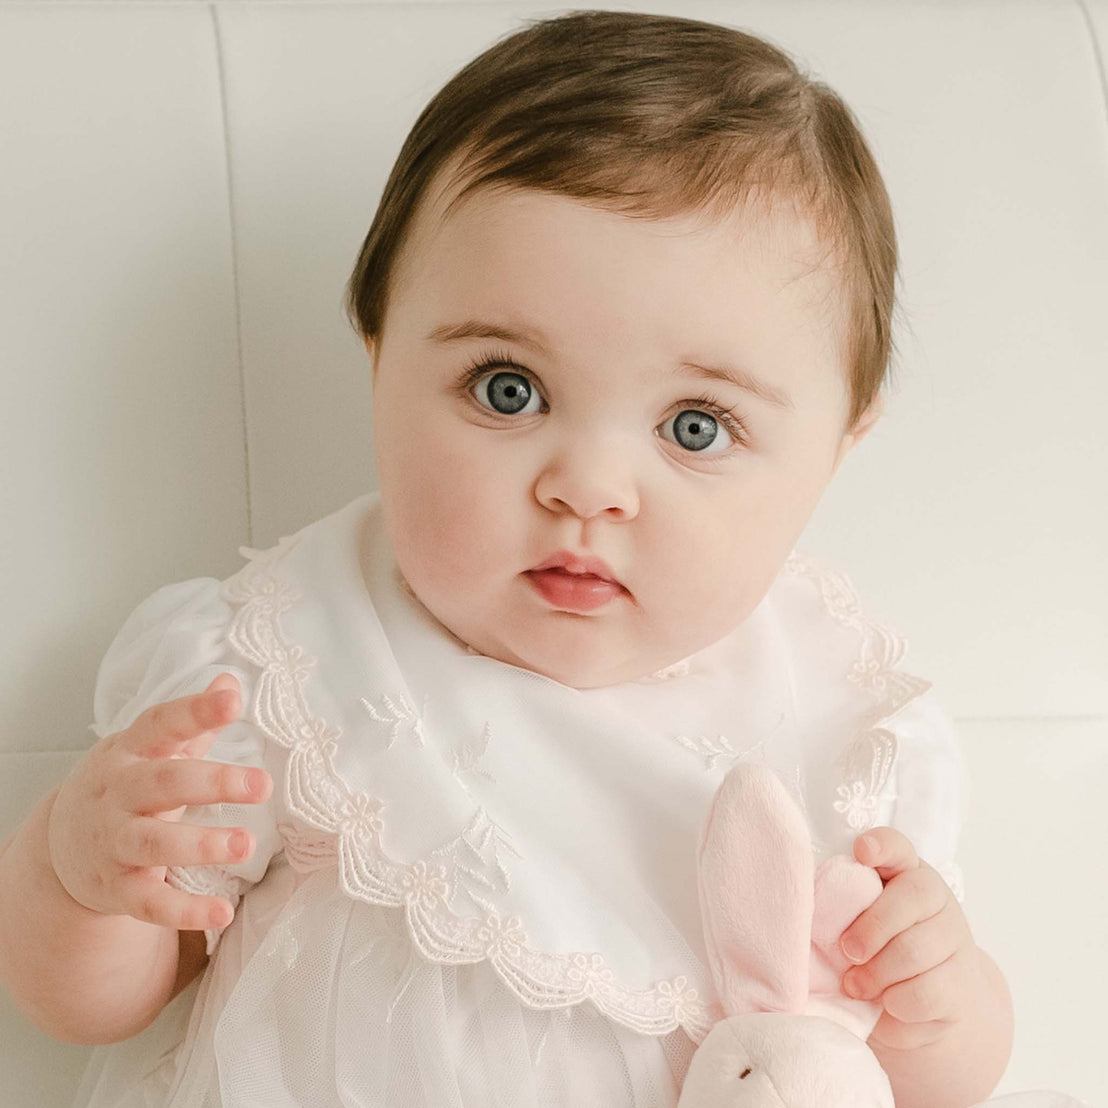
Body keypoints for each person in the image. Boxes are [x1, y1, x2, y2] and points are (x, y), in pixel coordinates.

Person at [0, 10, 1085, 1108]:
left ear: (837, 444)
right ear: (379, 353)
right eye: (506, 388)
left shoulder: (841, 721)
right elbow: (101, 1003)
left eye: (695, 426)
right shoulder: (290, 662)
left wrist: (938, 998)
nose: (587, 486)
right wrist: (79, 878)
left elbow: (929, 1078)